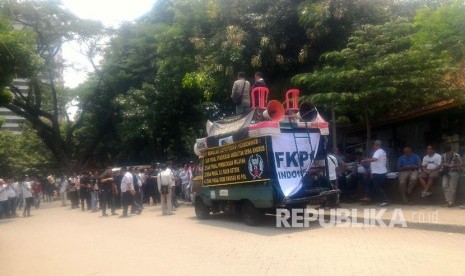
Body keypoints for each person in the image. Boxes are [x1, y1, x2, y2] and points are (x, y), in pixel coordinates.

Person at [362, 140, 389, 206]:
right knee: (376, 186)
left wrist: (365, 160)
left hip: (378, 172)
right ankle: (379, 200)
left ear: (376, 145)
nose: (373, 146)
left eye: (374, 145)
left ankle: (385, 200)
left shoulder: (378, 151)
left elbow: (374, 159)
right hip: (380, 172)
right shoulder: (382, 151)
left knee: (378, 187)